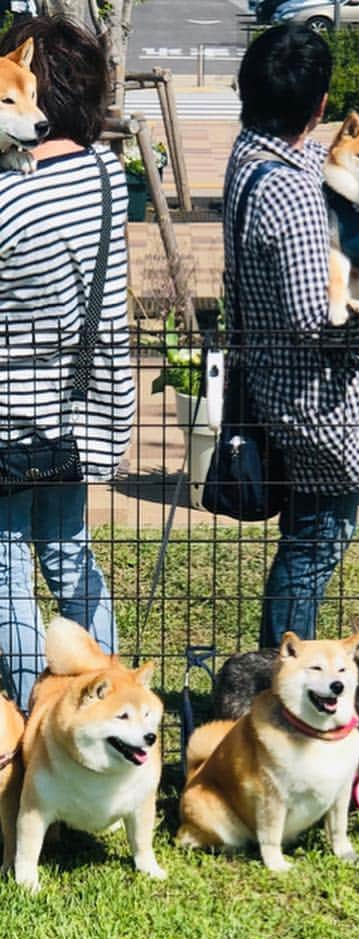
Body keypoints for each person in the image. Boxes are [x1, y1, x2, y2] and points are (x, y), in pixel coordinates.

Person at [226, 24, 359, 649]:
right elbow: (316, 317)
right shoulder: (292, 191)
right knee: (315, 544)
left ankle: (282, 674)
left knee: (307, 539)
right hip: (318, 400)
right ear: (320, 108)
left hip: (274, 380)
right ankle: (284, 677)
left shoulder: (250, 157)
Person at [0, 16, 132, 712]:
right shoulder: (108, 175)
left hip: (9, 417)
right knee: (71, 558)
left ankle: (38, 718)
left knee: (5, 578)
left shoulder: (10, 201)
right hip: (82, 412)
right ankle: (112, 701)